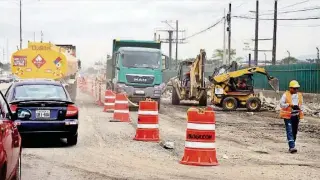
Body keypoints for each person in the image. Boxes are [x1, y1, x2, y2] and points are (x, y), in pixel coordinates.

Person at [279, 80, 304, 154]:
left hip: (296, 116)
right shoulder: (285, 95)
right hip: (288, 116)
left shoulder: (299, 95)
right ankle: (292, 147)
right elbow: (281, 104)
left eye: (297, 88)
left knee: (294, 132)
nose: (296, 90)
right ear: (290, 88)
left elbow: (301, 104)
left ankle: (292, 144)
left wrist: (300, 110)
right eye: (294, 88)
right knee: (289, 131)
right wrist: (290, 105)